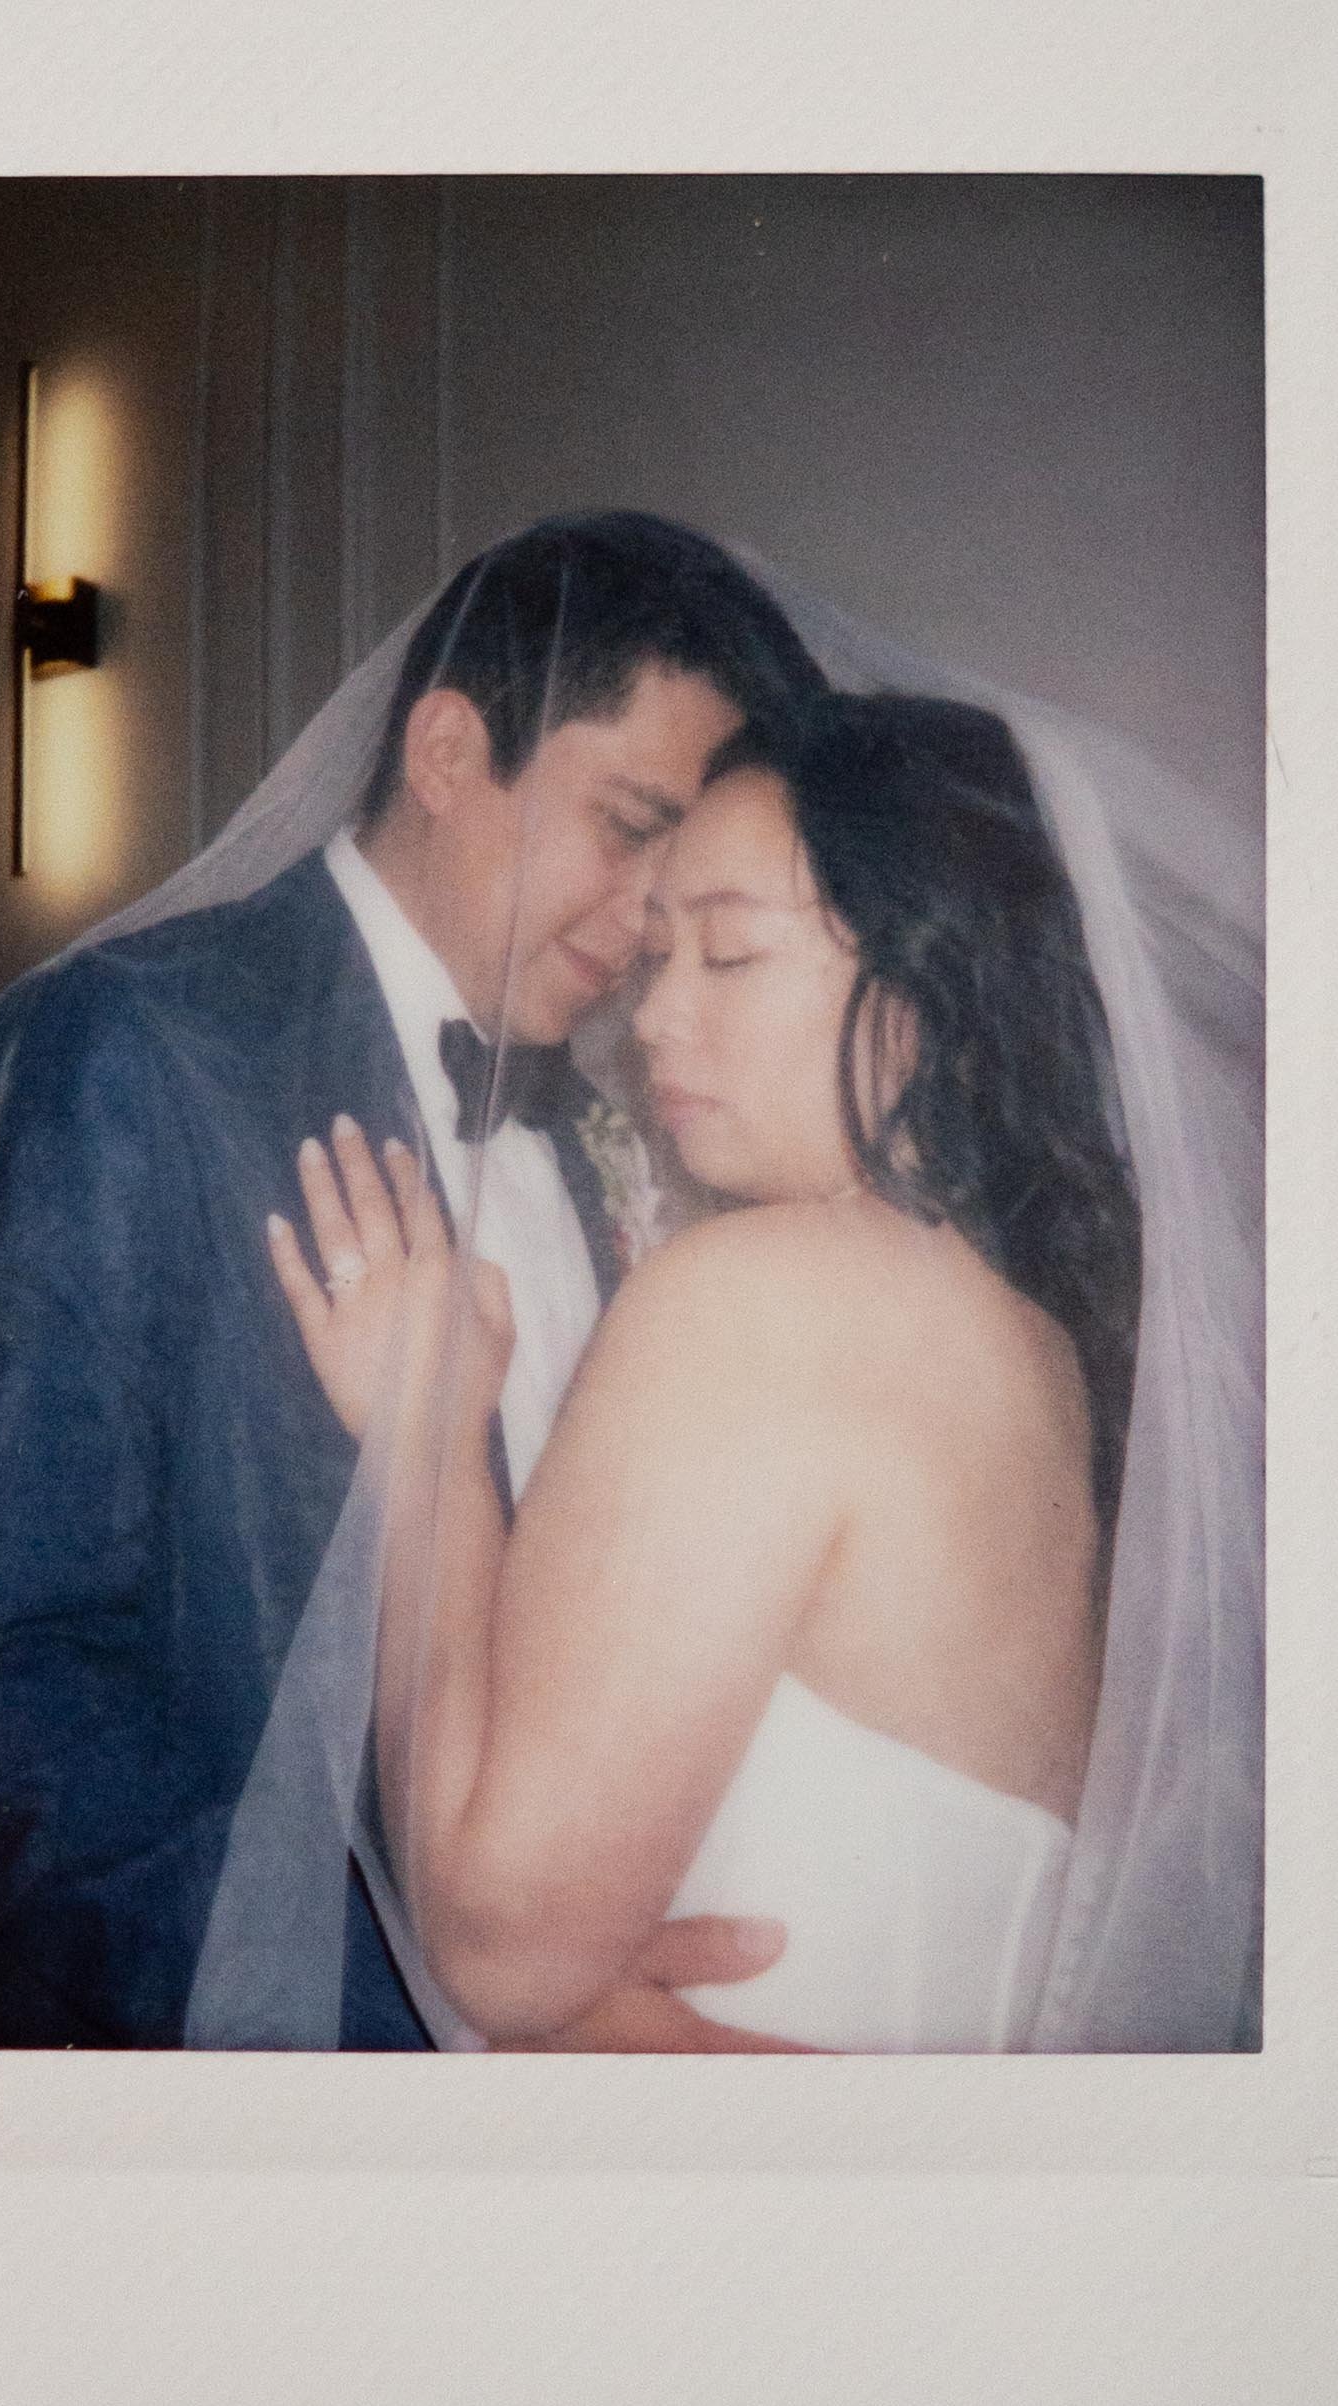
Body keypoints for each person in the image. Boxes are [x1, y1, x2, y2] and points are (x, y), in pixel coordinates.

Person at [0, 511, 826, 2051]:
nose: (656, 916)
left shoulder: (605, 1133)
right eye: (629, 824)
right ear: (450, 750)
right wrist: (429, 2010)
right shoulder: (119, 1048)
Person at [269, 690, 1146, 2051]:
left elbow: (493, 1943)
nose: (654, 1016)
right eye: (658, 950)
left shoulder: (763, 1300)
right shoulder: (1035, 1343)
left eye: (729, 954)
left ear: (931, 982)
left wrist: (431, 1443)